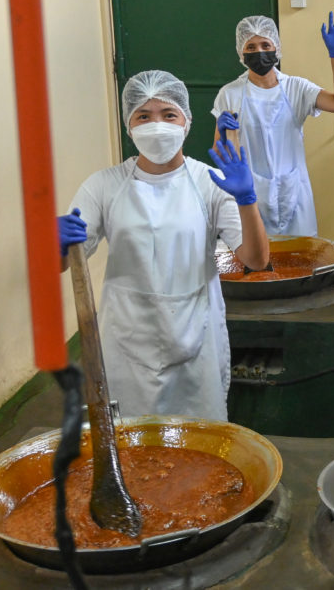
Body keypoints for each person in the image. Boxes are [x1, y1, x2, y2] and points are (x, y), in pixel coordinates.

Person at [58, 70, 270, 420]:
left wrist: (247, 200)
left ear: (185, 121)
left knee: (200, 448)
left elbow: (255, 260)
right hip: (127, 342)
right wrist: (54, 243)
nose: (156, 124)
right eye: (143, 115)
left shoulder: (210, 182)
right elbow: (63, 263)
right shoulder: (103, 186)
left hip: (196, 339)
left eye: (168, 114)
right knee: (132, 446)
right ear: (129, 125)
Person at [212, 13, 334, 237]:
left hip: (294, 193)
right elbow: (221, 151)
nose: (259, 51)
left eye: (265, 44)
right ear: (241, 52)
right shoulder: (230, 94)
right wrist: (222, 134)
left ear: (276, 47)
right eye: (251, 47)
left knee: (300, 260)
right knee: (257, 263)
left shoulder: (297, 88)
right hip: (250, 194)